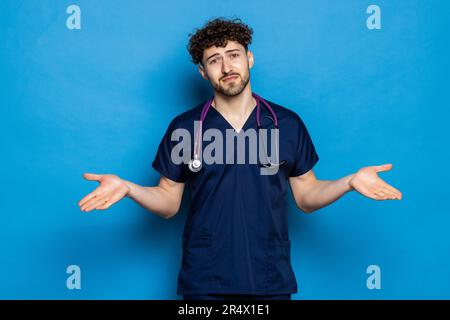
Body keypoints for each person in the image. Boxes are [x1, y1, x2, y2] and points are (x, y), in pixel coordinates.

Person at [78, 18, 402, 300]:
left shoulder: (285, 124)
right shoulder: (185, 128)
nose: (227, 66)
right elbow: (168, 202)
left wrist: (349, 182)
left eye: (233, 55)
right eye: (214, 60)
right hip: (205, 279)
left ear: (249, 58)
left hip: (269, 277)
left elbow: (306, 197)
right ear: (203, 72)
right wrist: (129, 188)